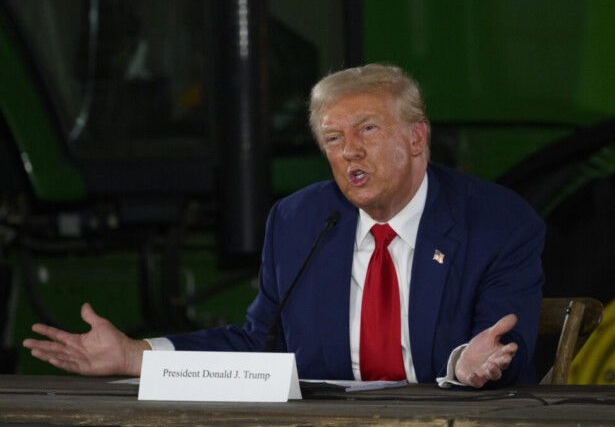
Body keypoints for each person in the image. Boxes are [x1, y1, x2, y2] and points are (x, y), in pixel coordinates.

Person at [24, 63, 545, 388]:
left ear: (416, 138)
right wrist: (137, 357)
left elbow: (506, 350)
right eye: (334, 139)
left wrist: (465, 366)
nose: (351, 152)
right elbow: (260, 347)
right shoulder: (301, 220)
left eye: (367, 129)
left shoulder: (497, 222)